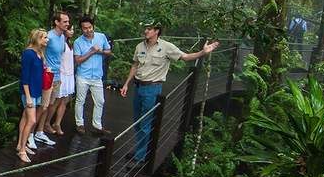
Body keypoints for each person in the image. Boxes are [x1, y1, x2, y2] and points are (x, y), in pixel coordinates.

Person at [120, 26, 219, 163]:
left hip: (152, 88)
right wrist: (126, 84)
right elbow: (135, 65)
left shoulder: (166, 47)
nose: (146, 31)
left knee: (145, 122)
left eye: (149, 29)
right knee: (137, 122)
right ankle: (140, 149)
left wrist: (203, 52)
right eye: (146, 28)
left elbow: (185, 57)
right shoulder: (140, 46)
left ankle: (141, 157)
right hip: (138, 87)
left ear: (157, 31)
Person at [72, 16, 112, 135]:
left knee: (100, 101)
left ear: (93, 26)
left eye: (90, 27)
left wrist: (100, 51)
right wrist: (91, 51)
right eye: (85, 28)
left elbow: (109, 51)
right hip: (83, 76)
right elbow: (78, 60)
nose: (88, 30)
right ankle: (79, 124)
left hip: (97, 76)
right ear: (81, 29)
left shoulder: (101, 37)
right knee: (80, 100)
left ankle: (97, 125)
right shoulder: (78, 42)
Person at [36, 11, 70, 143]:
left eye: (68, 21)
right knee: (42, 106)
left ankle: (40, 131)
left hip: (57, 76)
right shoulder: (49, 37)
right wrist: (44, 68)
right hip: (47, 76)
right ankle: (30, 134)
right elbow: (39, 52)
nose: (67, 24)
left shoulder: (62, 37)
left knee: (49, 106)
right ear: (56, 22)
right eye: (65, 21)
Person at [16, 29, 47, 163]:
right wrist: (28, 97)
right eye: (44, 37)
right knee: (32, 120)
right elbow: (25, 77)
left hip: (36, 90)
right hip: (29, 92)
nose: (47, 40)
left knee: (25, 117)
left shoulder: (39, 53)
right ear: (37, 39)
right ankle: (22, 150)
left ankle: (20, 144)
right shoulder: (28, 53)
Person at [53, 26, 75, 134]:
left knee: (65, 100)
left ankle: (57, 123)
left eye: (73, 30)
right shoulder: (60, 43)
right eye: (70, 29)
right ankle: (47, 122)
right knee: (56, 101)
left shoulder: (69, 43)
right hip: (61, 74)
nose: (72, 32)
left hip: (69, 74)